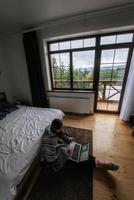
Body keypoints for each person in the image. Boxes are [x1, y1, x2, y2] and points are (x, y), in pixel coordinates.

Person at [41, 118, 119, 172]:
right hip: (58, 160)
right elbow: (51, 158)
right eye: (60, 128)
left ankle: (99, 163)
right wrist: (65, 151)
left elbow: (63, 138)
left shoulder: (52, 129)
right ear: (55, 129)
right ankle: (101, 163)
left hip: (65, 149)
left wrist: (69, 145)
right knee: (80, 161)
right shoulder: (50, 140)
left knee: (80, 153)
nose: (62, 129)